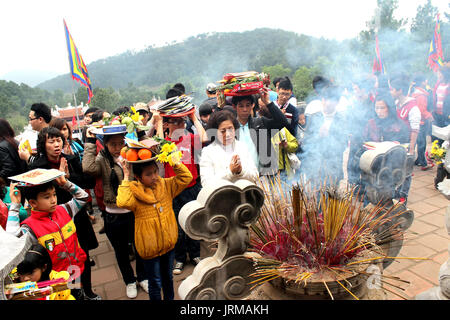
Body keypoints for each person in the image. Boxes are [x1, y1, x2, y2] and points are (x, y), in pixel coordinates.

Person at [23, 127, 99, 300]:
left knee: (81, 256)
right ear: (43, 145)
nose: (56, 145)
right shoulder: (37, 169)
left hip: (72, 216)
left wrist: (67, 179)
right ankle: (69, 292)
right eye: (51, 141)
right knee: (60, 270)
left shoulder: (70, 159)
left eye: (59, 140)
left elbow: (88, 182)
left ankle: (86, 291)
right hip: (50, 225)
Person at [83, 126, 148, 299]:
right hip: (113, 213)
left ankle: (143, 277)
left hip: (134, 210)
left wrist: (141, 134)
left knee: (140, 247)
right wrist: (89, 142)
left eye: (121, 143)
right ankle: (130, 281)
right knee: (120, 251)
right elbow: (88, 168)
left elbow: (148, 155)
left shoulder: (131, 154)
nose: (118, 147)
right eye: (113, 144)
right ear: (105, 144)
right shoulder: (101, 160)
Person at [116, 155, 193, 300]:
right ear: (138, 177)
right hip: (149, 248)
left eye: (155, 171)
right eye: (148, 174)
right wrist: (126, 176)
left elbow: (186, 177)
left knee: (168, 279)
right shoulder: (134, 191)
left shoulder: (166, 185)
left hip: (168, 244)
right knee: (155, 283)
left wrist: (173, 160)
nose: (154, 177)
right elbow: (122, 201)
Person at [6, 170, 88, 295]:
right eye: (47, 197)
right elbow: (12, 239)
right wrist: (15, 205)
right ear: (33, 203)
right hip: (54, 280)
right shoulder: (30, 227)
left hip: (76, 268)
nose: (53, 200)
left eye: (54, 194)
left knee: (78, 294)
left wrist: (65, 183)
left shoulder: (64, 209)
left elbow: (83, 197)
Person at [161, 113, 207, 275]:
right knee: (177, 227)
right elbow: (157, 147)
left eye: (182, 121)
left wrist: (194, 117)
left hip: (192, 187)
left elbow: (204, 137)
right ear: (167, 125)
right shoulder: (165, 143)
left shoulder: (190, 138)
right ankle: (180, 258)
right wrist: (159, 121)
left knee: (193, 222)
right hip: (173, 191)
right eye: (176, 122)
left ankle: (195, 255)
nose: (181, 125)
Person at [233, 90, 290, 176]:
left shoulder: (261, 123)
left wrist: (268, 103)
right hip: (240, 176)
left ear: (252, 105)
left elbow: (283, 122)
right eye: (241, 106)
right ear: (234, 107)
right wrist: (219, 107)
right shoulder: (231, 128)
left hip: (264, 175)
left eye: (247, 105)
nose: (245, 109)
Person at [301, 86, 349, 185]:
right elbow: (306, 142)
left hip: (333, 168)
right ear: (322, 99)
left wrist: (329, 136)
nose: (327, 103)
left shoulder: (341, 120)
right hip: (314, 168)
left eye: (331, 100)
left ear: (337, 102)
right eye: (325, 99)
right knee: (315, 199)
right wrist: (318, 136)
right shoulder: (314, 117)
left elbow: (343, 145)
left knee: (332, 198)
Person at [199, 110, 259, 186]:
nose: (227, 134)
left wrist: (241, 171)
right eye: (222, 131)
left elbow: (255, 175)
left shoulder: (241, 146)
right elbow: (206, 184)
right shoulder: (208, 152)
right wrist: (230, 172)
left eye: (230, 129)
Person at [346, 76, 376, 187]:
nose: (354, 92)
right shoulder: (354, 103)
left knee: (365, 166)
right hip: (355, 139)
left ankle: (364, 190)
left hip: (366, 141)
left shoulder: (372, 104)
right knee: (352, 166)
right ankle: (355, 187)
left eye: (355, 89)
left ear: (363, 89)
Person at [390, 74, 421, 156]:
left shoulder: (413, 108)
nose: (390, 92)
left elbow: (415, 131)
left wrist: (411, 149)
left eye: (392, 90)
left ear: (399, 91)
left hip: (406, 143)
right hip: (396, 141)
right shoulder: (396, 104)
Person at [410, 74, 433, 170]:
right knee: (421, 143)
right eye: (425, 80)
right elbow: (422, 110)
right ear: (423, 82)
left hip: (413, 122)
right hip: (420, 122)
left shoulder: (413, 92)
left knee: (416, 142)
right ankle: (423, 163)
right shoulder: (421, 95)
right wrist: (429, 116)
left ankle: (418, 160)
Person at [0, 118, 27, 184]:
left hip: (10, 184)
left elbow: (8, 168)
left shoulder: (1, 146)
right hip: (22, 181)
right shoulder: (16, 142)